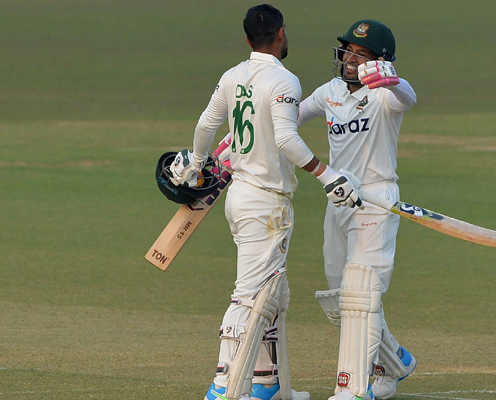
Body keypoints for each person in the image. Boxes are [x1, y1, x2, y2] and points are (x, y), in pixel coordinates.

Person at [167, 5, 364, 400]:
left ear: (246, 39)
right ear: (281, 34)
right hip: (267, 205)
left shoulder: (232, 76)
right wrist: (327, 176)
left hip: (239, 197)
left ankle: (268, 383)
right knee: (250, 295)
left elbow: (207, 125)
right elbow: (287, 140)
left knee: (274, 294)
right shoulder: (283, 81)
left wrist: (199, 163)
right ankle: (223, 385)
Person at [297, 20, 418, 400]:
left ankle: (353, 388)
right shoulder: (331, 92)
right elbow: (290, 119)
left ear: (379, 61)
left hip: (376, 200)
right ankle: (395, 361)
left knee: (360, 295)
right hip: (338, 200)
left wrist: (392, 80)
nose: (350, 59)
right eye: (348, 50)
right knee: (339, 299)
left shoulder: (386, 95)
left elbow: (408, 98)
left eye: (360, 54)